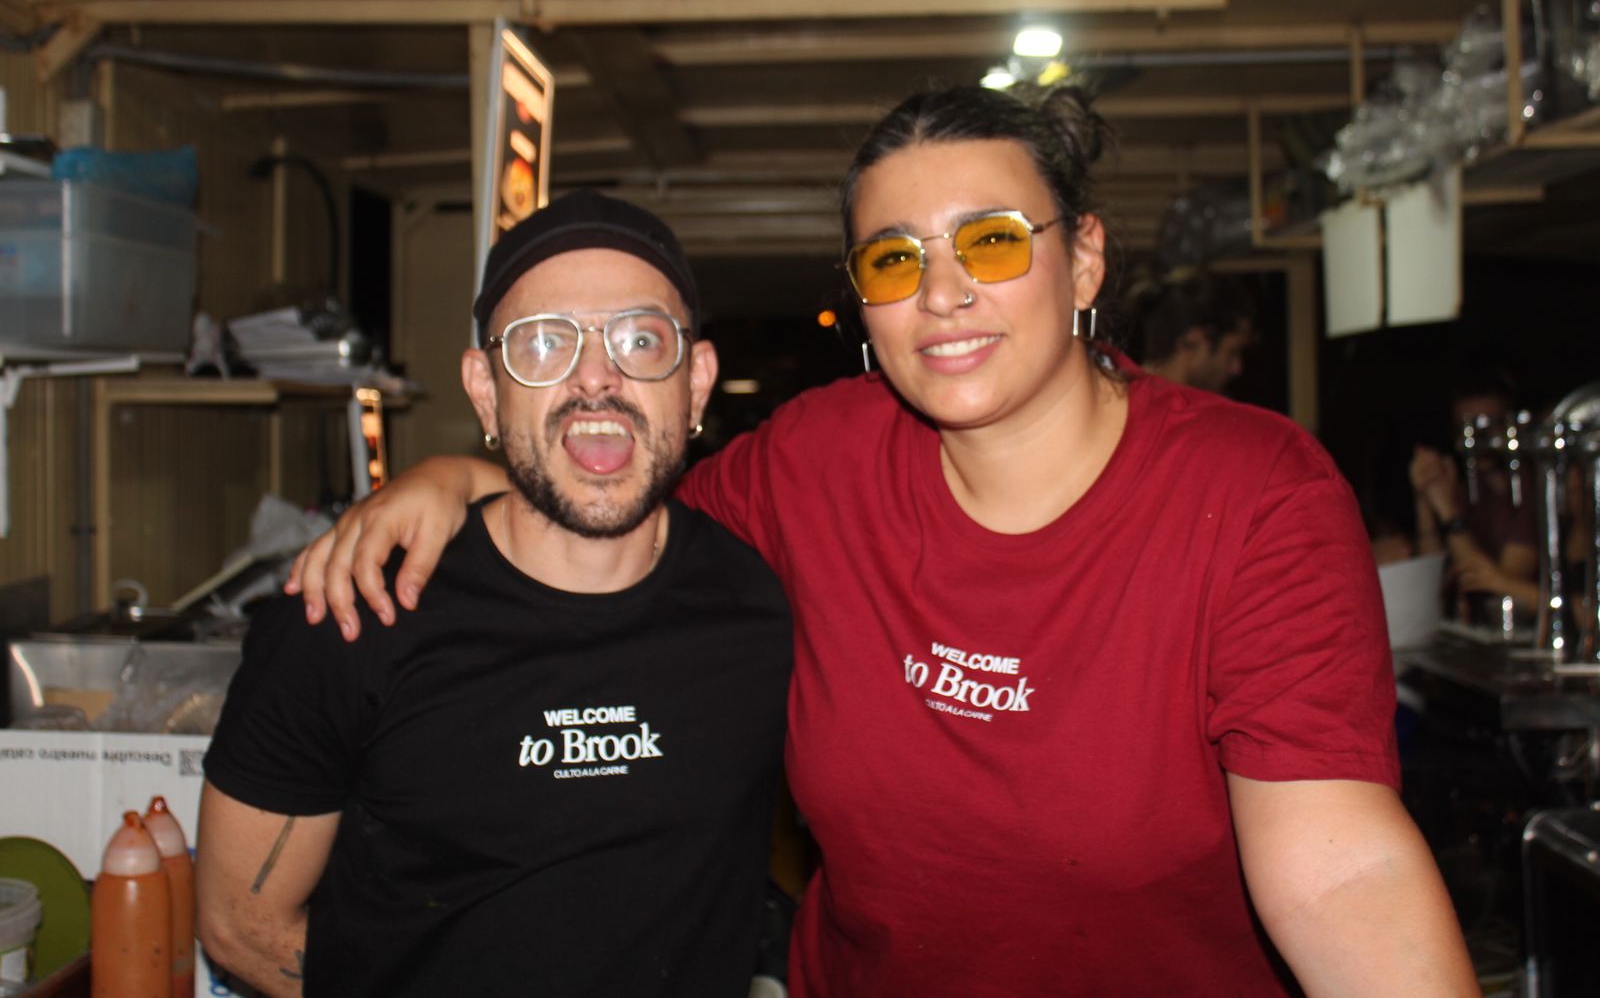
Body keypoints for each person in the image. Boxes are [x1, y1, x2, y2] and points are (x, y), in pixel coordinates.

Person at [290, 85, 1479, 996]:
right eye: (896, 258)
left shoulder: (1252, 491)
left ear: (1083, 260)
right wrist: (458, 474)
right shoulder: (820, 458)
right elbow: (628, 509)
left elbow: (1340, 867)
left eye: (993, 241)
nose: (942, 291)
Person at [194, 191, 793, 996]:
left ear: (696, 382)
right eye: (543, 343)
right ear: (484, 389)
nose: (595, 378)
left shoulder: (761, 610)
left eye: (640, 339)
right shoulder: (353, 615)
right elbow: (239, 925)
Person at [1410, 373, 1540, 612]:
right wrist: (1425, 499)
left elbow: (1495, 591)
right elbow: (1431, 586)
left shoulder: (1529, 487)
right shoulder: (1468, 486)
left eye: (1488, 426)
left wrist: (1448, 512)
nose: (1477, 439)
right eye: (1466, 428)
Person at [1127, 268, 1255, 392]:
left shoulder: (1126, 394)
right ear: (1194, 341)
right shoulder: (1133, 398)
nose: (1237, 368)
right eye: (1232, 352)